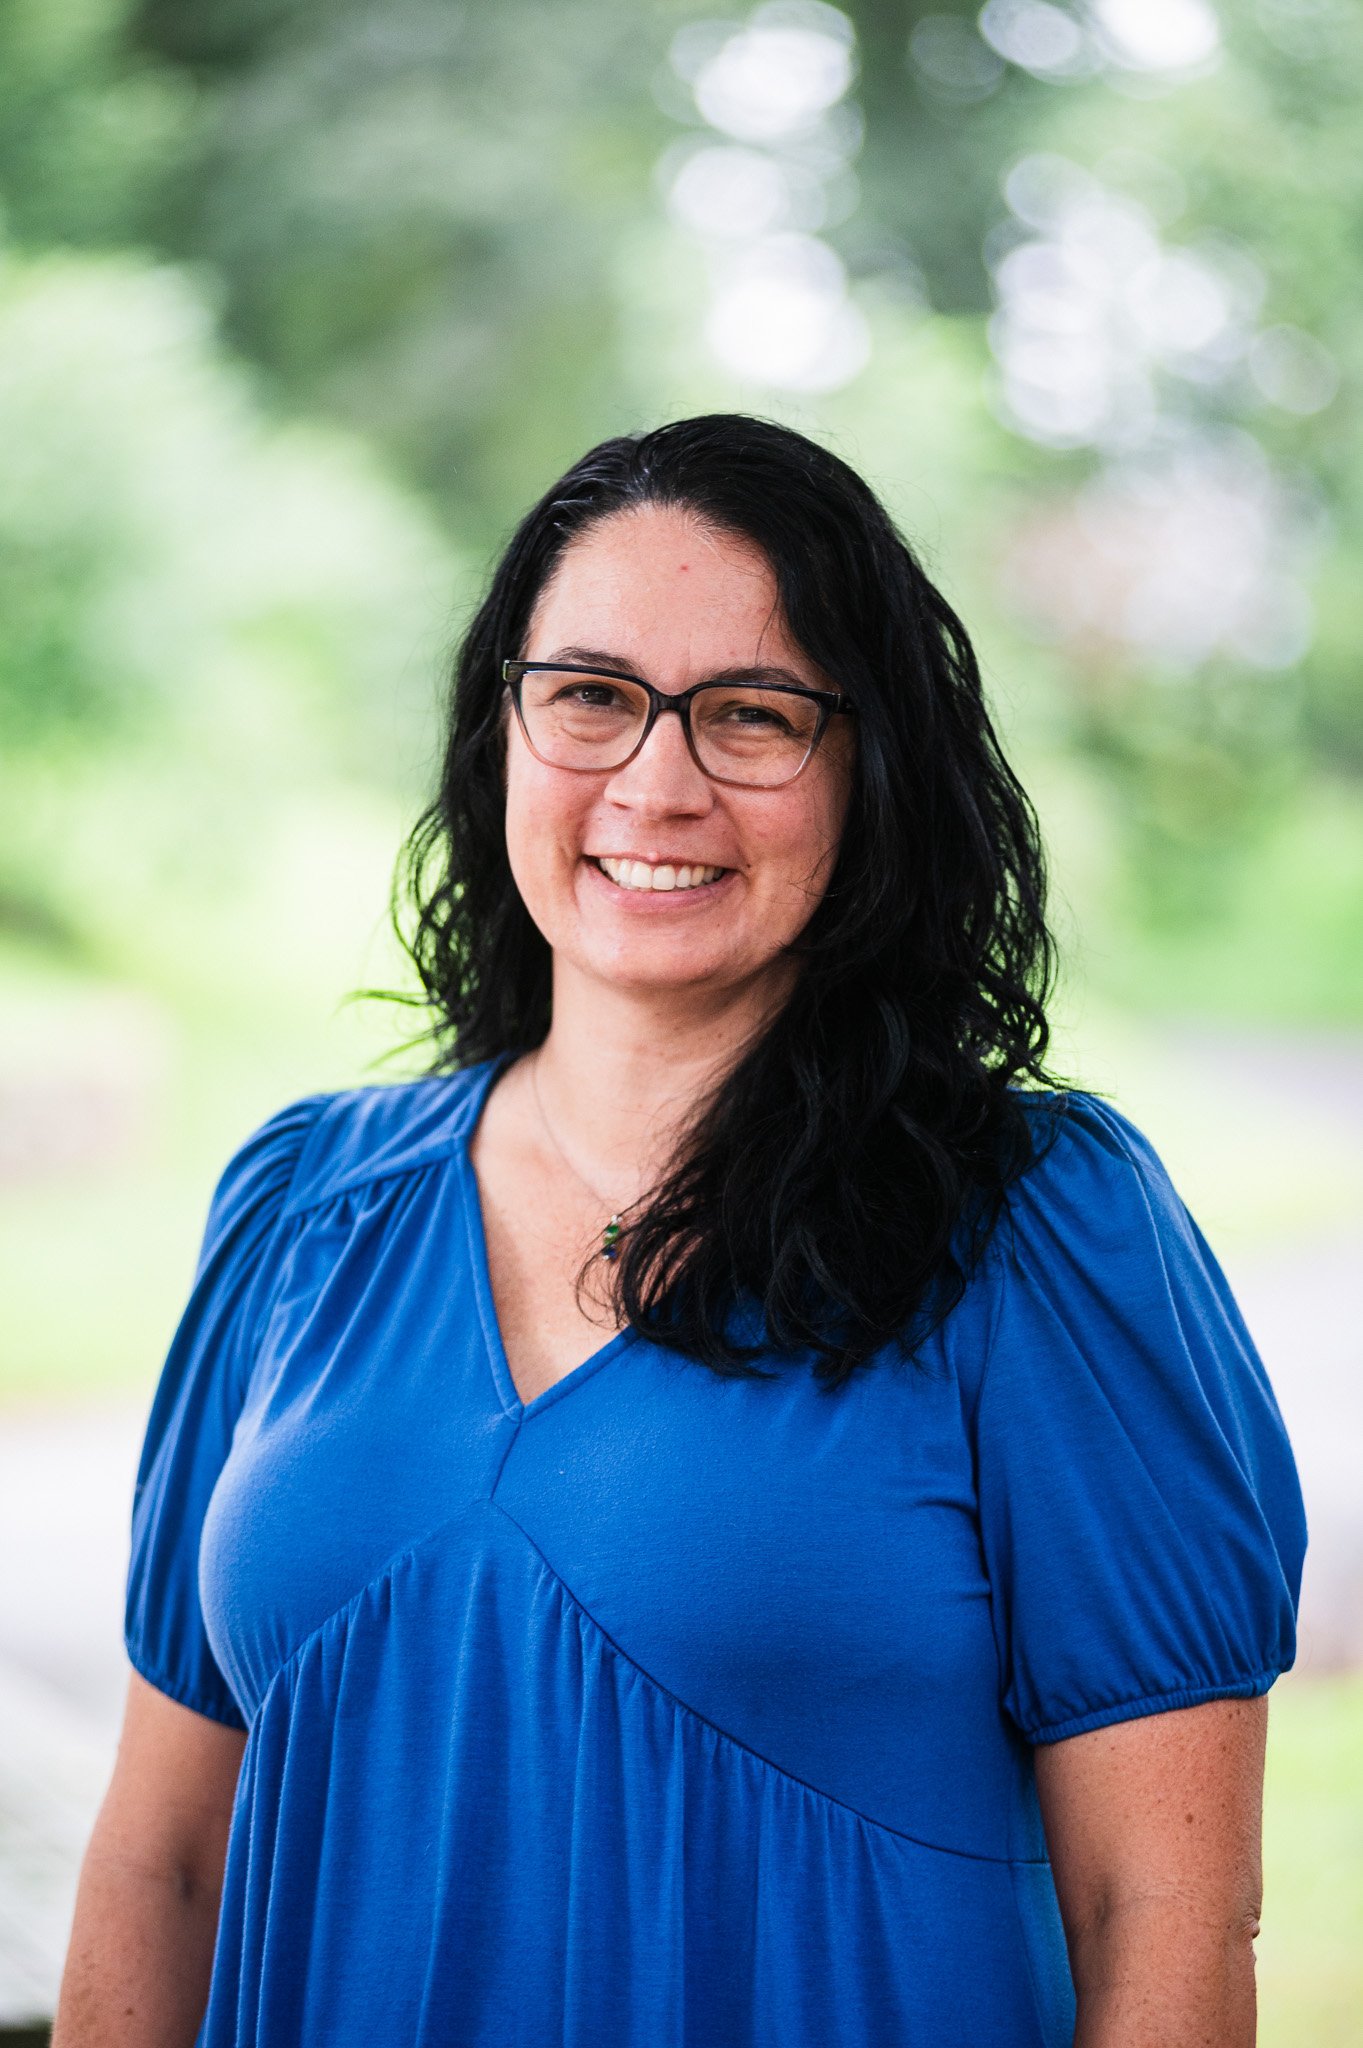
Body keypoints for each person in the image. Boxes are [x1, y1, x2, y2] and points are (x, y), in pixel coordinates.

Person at [55, 414, 1305, 2048]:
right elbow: (164, 1870)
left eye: (753, 715)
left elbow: (1167, 1921)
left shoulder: (1040, 1233)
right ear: (501, 729)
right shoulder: (298, 1210)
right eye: (591, 695)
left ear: (871, 771)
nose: (658, 780)